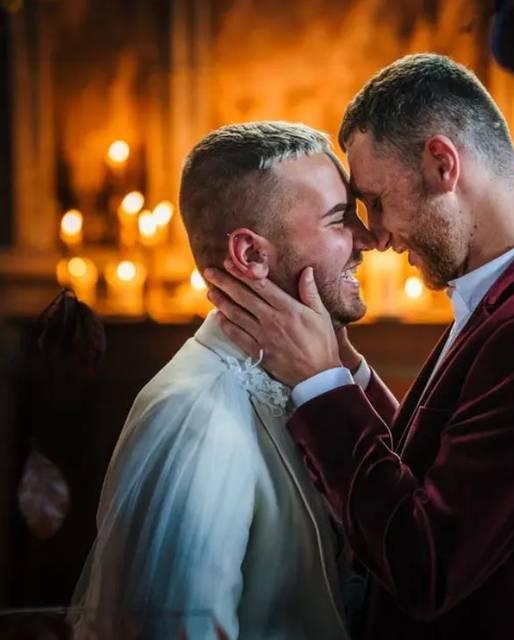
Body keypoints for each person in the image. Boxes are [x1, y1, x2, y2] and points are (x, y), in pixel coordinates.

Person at [204, 53, 514, 639]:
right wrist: (346, 367)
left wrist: (319, 385)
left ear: (441, 163)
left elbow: (425, 565)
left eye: (376, 200)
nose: (375, 235)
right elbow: (437, 471)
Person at [69, 121, 394, 640]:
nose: (368, 239)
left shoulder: (305, 380)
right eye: (338, 220)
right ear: (250, 256)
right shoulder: (195, 420)